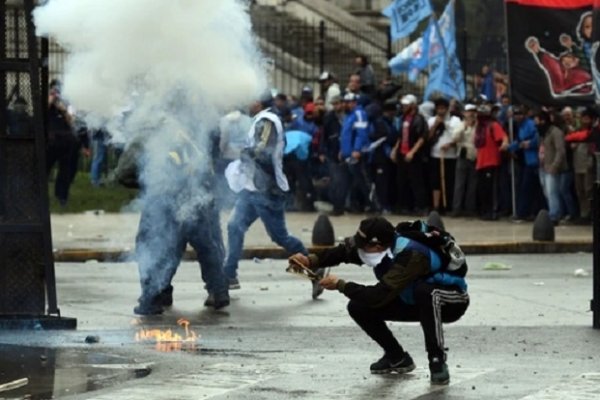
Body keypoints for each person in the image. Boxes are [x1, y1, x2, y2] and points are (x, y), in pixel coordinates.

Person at [288, 216, 469, 385]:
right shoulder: (378, 246)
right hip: (413, 300)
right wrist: (310, 261)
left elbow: (379, 296)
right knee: (358, 306)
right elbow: (343, 251)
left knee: (427, 293)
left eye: (362, 246)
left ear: (377, 246)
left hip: (450, 301)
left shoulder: (411, 255)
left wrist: (341, 285)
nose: (358, 250)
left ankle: (437, 361)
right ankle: (396, 357)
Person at [224, 94, 324, 299]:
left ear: (258, 103)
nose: (246, 103)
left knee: (280, 237)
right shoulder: (260, 120)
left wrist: (242, 153)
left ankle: (315, 269)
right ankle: (228, 276)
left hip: (268, 191)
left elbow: (262, 151)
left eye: (250, 99)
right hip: (252, 188)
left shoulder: (267, 120)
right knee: (234, 226)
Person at [133, 130, 230, 315]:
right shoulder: (194, 146)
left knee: (153, 246)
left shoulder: (163, 147)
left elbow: (129, 173)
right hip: (200, 201)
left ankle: (151, 298)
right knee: (206, 246)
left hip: (171, 202)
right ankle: (218, 291)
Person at [391, 94, 428, 215]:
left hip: (413, 154)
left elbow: (422, 137)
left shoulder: (419, 119)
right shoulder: (403, 118)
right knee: (401, 180)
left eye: (406, 105)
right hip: (402, 153)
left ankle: (421, 206)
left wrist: (412, 152)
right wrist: (395, 149)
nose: (403, 107)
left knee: (416, 181)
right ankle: (404, 205)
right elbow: (401, 136)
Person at [427, 98, 461, 213]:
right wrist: (435, 125)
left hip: (450, 156)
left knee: (449, 181)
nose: (441, 111)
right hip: (436, 155)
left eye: (443, 108)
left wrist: (450, 143)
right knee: (435, 181)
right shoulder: (431, 120)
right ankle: (436, 206)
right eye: (439, 108)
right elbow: (428, 137)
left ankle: (449, 205)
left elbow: (458, 136)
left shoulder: (455, 120)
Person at [451, 104, 478, 216]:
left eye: (473, 111)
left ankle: (470, 209)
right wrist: (465, 127)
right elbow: (455, 138)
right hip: (463, 155)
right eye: (468, 112)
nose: (470, 114)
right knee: (459, 184)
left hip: (474, 156)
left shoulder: (478, 126)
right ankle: (456, 209)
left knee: (473, 185)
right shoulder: (460, 125)